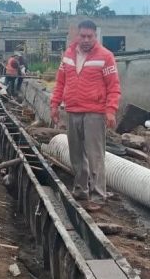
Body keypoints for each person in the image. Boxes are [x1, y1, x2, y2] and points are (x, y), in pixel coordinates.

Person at [50, 20, 121, 212]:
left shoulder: (105, 57)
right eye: (83, 36)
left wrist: (111, 110)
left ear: (95, 36)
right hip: (73, 110)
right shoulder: (68, 55)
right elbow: (60, 82)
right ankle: (81, 189)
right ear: (77, 36)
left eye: (90, 36)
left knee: (95, 155)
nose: (86, 40)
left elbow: (114, 86)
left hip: (94, 113)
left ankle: (98, 195)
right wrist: (54, 105)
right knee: (76, 154)